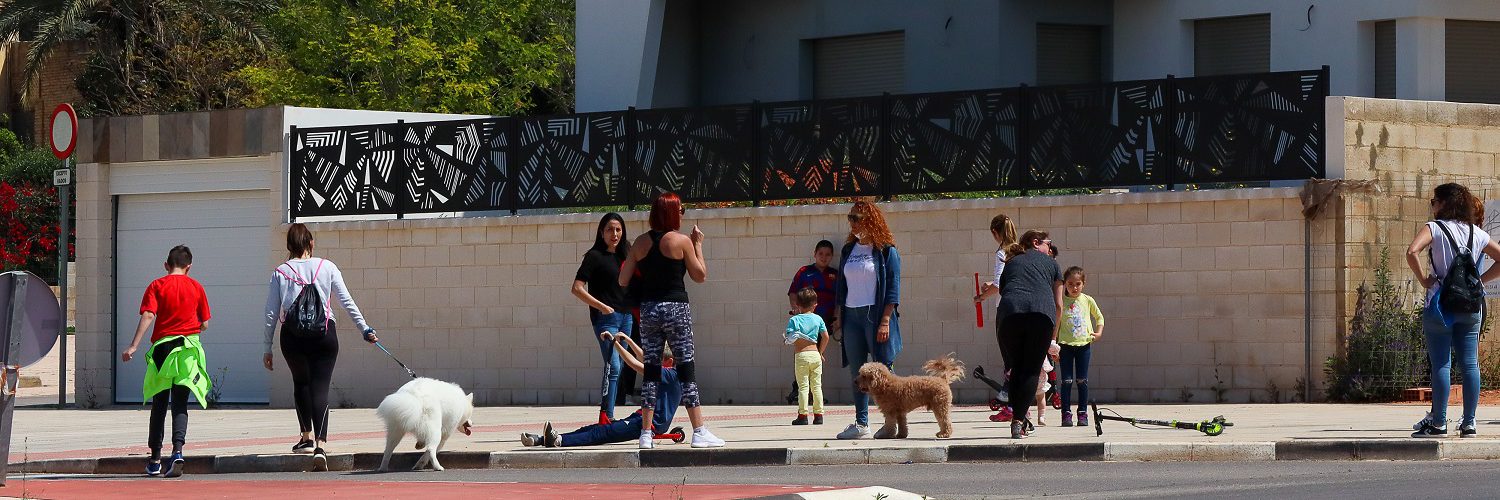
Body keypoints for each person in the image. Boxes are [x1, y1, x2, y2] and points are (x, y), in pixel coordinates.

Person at [262, 223, 380, 471]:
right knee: (320, 388)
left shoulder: (280, 272)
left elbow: (271, 313)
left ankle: (305, 437)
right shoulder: (327, 267)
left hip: (292, 338)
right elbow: (346, 301)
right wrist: (365, 329)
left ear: (289, 246)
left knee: (301, 383)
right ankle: (320, 444)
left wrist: (267, 347)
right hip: (324, 336)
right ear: (311, 243)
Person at [617, 192, 725, 449]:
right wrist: (697, 244)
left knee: (651, 372)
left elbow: (623, 280)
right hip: (676, 308)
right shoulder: (682, 241)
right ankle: (699, 431)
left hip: (650, 309)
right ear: (673, 213)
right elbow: (700, 275)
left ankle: (645, 434)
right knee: (685, 368)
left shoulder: (640, 243)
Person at [1406, 183, 1500, 438]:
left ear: (1444, 203)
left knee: (1441, 364)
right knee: (1470, 364)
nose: (1432, 205)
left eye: (1434, 201)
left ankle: (1439, 422)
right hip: (1470, 305)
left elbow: (1412, 251)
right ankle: (1469, 422)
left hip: (1439, 304)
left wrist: (1425, 279)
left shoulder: (1434, 228)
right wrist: (1481, 280)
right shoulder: (1476, 233)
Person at [121, 245, 212, 478]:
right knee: (180, 403)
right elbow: (205, 323)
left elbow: (149, 315)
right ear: (189, 267)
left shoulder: (157, 285)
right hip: (188, 350)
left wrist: (133, 346)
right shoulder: (197, 287)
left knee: (159, 403)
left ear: (166, 265)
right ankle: (178, 451)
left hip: (163, 348)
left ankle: (154, 459)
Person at [522, 334, 682, 448]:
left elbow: (635, 364)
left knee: (603, 432)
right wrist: (629, 341)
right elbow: (644, 358)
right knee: (593, 428)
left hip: (649, 425)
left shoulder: (669, 374)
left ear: (669, 362)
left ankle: (559, 440)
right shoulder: (669, 372)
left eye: (658, 360)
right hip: (640, 418)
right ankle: (542, 439)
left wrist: (616, 344)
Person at [833, 199, 903, 440]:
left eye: (856, 218)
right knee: (858, 371)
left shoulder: (886, 250)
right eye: (850, 218)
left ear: (870, 220)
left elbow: (893, 288)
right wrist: (838, 316)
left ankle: (891, 422)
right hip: (851, 315)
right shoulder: (848, 250)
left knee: (884, 370)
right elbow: (842, 287)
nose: (851, 223)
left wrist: (885, 320)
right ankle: (861, 423)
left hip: (875, 316)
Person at [997, 230, 1064, 439]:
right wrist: (1053, 338)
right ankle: (1018, 421)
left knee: (1016, 369)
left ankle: (1019, 420)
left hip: (1008, 316)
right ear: (1036, 243)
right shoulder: (1051, 263)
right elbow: (1059, 305)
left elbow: (1004, 291)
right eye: (1048, 243)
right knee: (1031, 372)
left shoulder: (1011, 262)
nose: (1050, 248)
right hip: (1041, 316)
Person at [572, 212, 633, 423]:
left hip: (626, 317)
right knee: (613, 366)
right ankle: (606, 415)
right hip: (606, 319)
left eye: (618, 229)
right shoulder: (594, 256)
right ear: (601, 232)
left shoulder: (627, 254)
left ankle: (609, 414)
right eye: (609, 229)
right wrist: (601, 306)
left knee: (621, 365)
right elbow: (577, 288)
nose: (614, 234)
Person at [974, 214, 1023, 419]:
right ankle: (1016, 403)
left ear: (995, 232)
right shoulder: (1020, 251)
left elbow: (999, 284)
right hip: (1022, 309)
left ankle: (1011, 405)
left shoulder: (1002, 252)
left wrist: (981, 297)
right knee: (1018, 358)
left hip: (1005, 310)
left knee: (1009, 360)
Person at [784, 240, 840, 404]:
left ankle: (812, 393)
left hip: (823, 322)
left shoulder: (835, 275)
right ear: (814, 254)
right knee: (803, 353)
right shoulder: (804, 272)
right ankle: (800, 389)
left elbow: (840, 300)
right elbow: (793, 292)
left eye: (828, 254)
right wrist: (796, 309)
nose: (824, 257)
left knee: (816, 357)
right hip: (805, 323)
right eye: (820, 254)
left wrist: (838, 318)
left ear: (832, 256)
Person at [785, 287, 829, 425]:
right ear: (815, 305)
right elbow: (825, 336)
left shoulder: (795, 320)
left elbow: (789, 337)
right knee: (816, 386)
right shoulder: (818, 319)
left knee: (803, 386)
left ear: (797, 305)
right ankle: (819, 415)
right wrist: (821, 352)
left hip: (802, 355)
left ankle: (803, 415)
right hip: (815, 354)